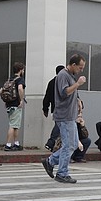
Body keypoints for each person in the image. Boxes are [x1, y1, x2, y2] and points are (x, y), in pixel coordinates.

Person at [41, 54, 86, 184]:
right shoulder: (63, 75)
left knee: (72, 144)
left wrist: (77, 100)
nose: (81, 70)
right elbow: (64, 92)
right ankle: (62, 173)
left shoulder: (70, 76)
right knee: (68, 145)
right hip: (64, 116)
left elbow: (71, 92)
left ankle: (50, 162)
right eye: (80, 67)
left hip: (70, 116)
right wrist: (78, 84)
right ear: (73, 65)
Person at [4, 62, 26, 151]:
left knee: (16, 125)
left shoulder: (10, 79)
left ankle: (16, 143)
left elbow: (2, 90)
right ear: (20, 70)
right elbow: (20, 88)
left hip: (9, 104)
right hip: (16, 105)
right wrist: (21, 100)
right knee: (13, 125)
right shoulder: (19, 79)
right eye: (23, 70)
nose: (23, 71)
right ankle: (8, 145)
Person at [42, 64, 65, 151]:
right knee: (59, 125)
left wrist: (45, 108)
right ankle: (51, 142)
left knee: (60, 126)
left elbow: (47, 97)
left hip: (54, 108)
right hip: (63, 108)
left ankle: (56, 145)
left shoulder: (51, 82)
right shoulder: (64, 81)